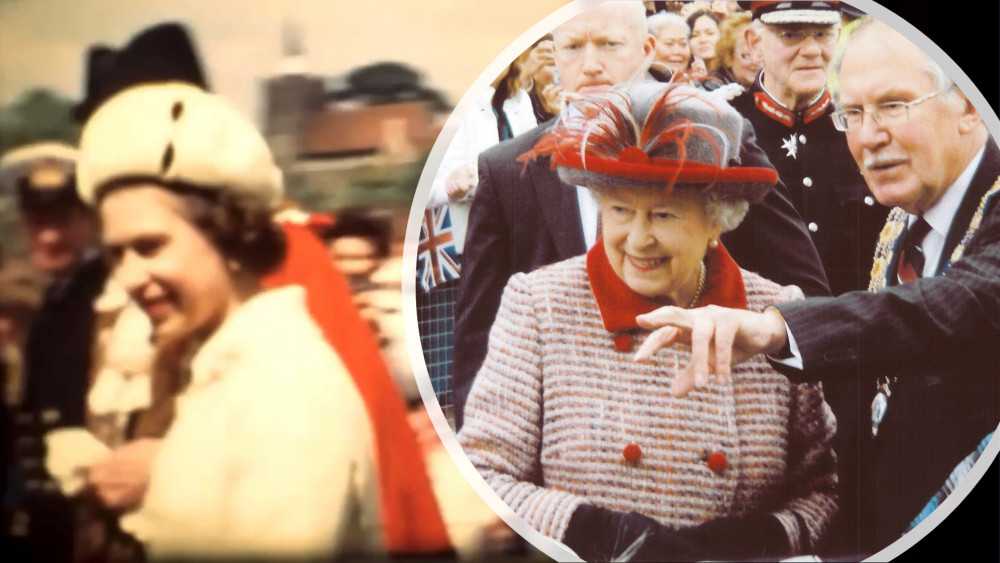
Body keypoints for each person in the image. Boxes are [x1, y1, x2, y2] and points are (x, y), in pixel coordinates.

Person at [634, 18, 1000, 556]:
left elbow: (960, 303)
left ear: (970, 104)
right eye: (852, 113)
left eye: (894, 105)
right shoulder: (907, 219)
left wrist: (777, 328)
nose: (870, 136)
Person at [458, 81, 838, 562]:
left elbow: (822, 491)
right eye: (619, 210)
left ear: (716, 219)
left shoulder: (772, 313)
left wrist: (762, 540)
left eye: (662, 215)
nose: (637, 240)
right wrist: (594, 531)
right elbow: (482, 476)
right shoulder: (539, 304)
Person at [452, 0, 830, 429]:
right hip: (562, 438)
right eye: (573, 46)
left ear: (647, 49)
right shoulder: (506, 169)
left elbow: (803, 287)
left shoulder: (716, 138)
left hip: (698, 413)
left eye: (609, 44)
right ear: (553, 54)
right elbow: (476, 339)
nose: (591, 64)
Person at [731, 1, 889, 296]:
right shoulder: (725, 128)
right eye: (790, 35)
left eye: (822, 34)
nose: (811, 51)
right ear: (754, 43)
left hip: (858, 330)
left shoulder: (864, 127)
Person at [0, 142, 106, 562]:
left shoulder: (106, 301)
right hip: (39, 521)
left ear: (92, 221)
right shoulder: (45, 303)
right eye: (37, 222)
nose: (49, 236)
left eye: (64, 221)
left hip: (83, 523)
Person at [710, 11, 761, 87]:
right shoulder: (714, 91)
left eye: (761, 55)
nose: (755, 61)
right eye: (747, 55)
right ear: (728, 56)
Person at [647, 12, 693, 76]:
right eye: (669, 44)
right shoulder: (637, 83)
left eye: (683, 44)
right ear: (648, 47)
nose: (678, 52)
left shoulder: (691, 82)